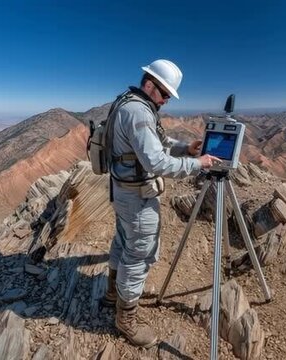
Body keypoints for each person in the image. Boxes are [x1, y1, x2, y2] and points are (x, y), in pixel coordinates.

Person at [101, 59, 220, 348]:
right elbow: (155, 160)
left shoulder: (130, 103)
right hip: (136, 195)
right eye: (164, 94)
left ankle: (113, 294)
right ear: (150, 84)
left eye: (168, 96)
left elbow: (156, 142)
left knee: (122, 240)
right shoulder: (138, 112)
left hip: (122, 190)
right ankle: (126, 320)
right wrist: (197, 163)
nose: (166, 101)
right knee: (139, 253)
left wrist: (184, 148)